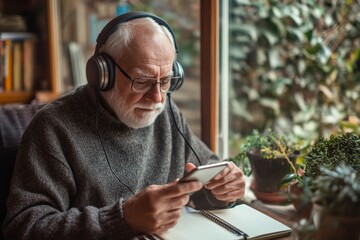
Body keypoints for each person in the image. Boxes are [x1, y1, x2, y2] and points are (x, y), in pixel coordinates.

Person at [3, 12, 245, 240]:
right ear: (102, 74)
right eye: (142, 81)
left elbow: (205, 179)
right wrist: (121, 219)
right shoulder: (52, 128)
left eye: (166, 81)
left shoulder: (168, 115)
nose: (158, 98)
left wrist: (223, 190)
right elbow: (23, 227)